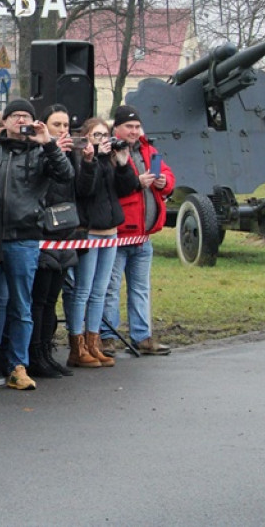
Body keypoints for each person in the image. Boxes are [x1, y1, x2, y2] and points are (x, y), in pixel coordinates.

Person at [0, 98, 75, 391]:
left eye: (27, 116)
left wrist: (48, 143)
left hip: (25, 238)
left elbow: (66, 174)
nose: (21, 120)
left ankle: (17, 364)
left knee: (21, 304)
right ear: (5, 121)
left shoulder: (41, 154)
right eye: (16, 115)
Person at [101, 105, 175, 356]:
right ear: (117, 128)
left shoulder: (148, 150)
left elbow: (167, 174)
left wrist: (164, 183)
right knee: (110, 289)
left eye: (136, 127)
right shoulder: (110, 151)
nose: (133, 131)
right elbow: (113, 185)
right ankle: (107, 337)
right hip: (120, 233)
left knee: (140, 288)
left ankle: (142, 336)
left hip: (143, 235)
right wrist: (137, 183)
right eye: (128, 127)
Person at [67, 116, 139, 368]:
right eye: (96, 136)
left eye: (104, 136)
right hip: (90, 230)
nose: (102, 140)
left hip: (110, 230)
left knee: (100, 291)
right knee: (83, 290)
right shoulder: (82, 159)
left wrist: (122, 164)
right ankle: (77, 346)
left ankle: (93, 342)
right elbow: (85, 189)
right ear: (86, 138)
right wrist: (91, 159)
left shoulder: (109, 160)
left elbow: (127, 188)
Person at [24, 105, 80, 379]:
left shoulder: (68, 157)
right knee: (39, 299)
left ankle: (46, 351)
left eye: (66, 124)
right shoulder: (39, 154)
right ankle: (35, 354)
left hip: (65, 235)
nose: (62, 130)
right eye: (56, 124)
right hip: (43, 234)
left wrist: (83, 160)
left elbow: (76, 188)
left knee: (51, 300)